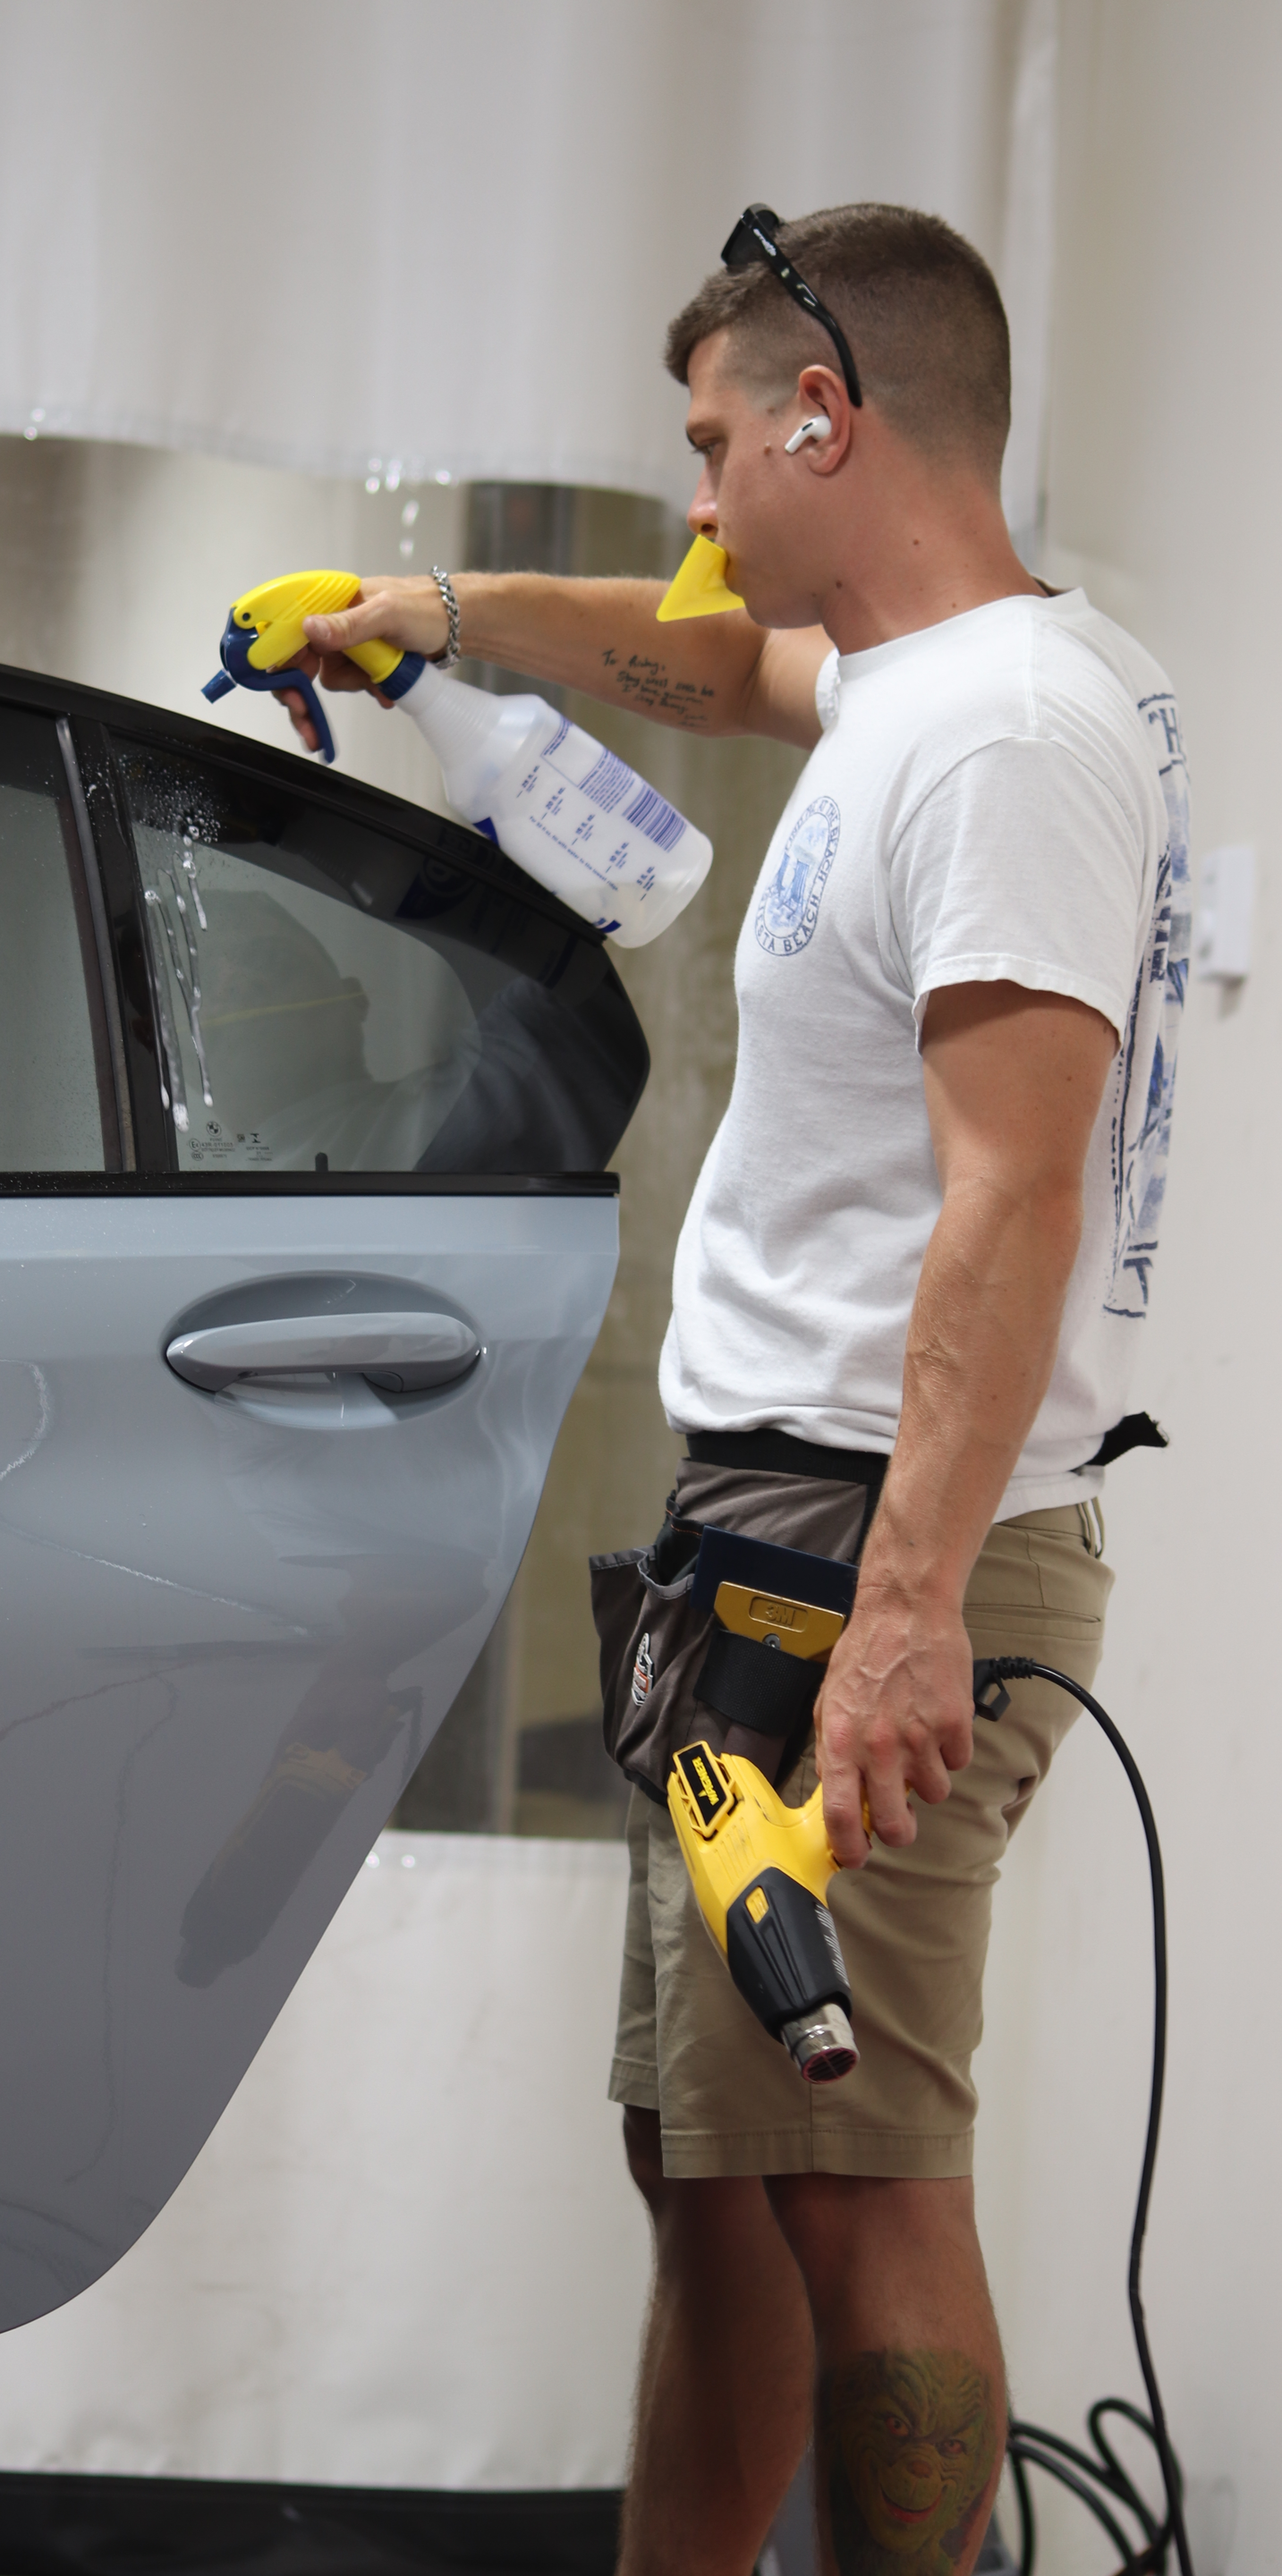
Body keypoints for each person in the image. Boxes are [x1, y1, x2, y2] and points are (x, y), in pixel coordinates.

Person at [274, 202, 1190, 2576]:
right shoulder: (915, 689)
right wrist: (438, 623)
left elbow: (1016, 1197)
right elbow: (693, 667)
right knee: (717, 2168)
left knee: (864, 2181)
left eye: (711, 445)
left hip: (873, 1560)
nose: (692, 504)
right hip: (773, 1549)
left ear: (830, 416)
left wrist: (901, 1614)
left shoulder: (1009, 737)